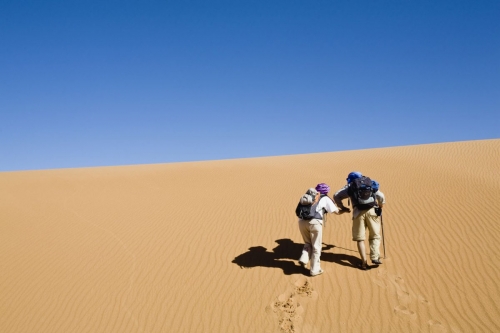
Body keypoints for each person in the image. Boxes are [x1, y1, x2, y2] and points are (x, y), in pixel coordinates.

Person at [333, 172, 386, 270]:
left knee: (360, 239)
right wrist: (380, 206)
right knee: (375, 235)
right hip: (372, 211)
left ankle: (364, 263)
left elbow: (336, 196)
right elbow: (381, 196)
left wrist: (342, 207)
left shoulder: (350, 187)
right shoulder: (369, 183)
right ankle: (375, 257)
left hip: (358, 213)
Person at [298, 183, 341, 276]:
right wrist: (344, 210)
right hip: (315, 223)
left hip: (301, 222)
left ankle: (304, 258)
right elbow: (336, 211)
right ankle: (314, 269)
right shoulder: (325, 198)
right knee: (316, 247)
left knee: (308, 243)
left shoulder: (307, 196)